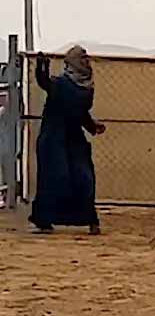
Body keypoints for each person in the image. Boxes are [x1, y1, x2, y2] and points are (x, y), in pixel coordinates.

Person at [31, 46, 105, 235]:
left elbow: (80, 112)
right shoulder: (61, 84)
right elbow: (44, 82)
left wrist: (91, 126)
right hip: (53, 137)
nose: (86, 61)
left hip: (73, 138)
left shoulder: (88, 87)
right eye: (81, 58)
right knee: (55, 178)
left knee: (84, 177)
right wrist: (41, 68)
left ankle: (90, 219)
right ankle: (44, 220)